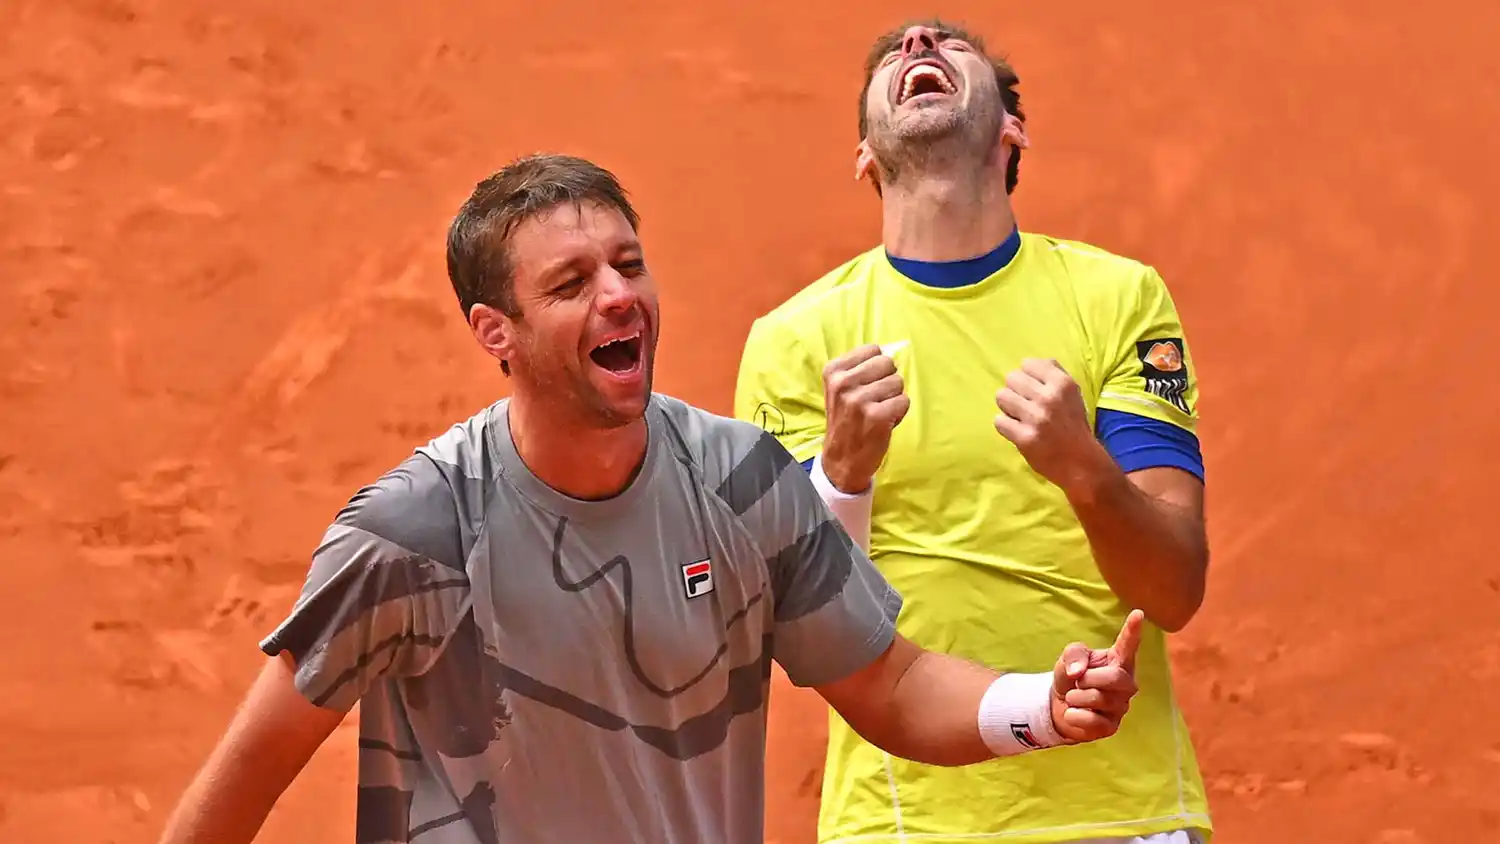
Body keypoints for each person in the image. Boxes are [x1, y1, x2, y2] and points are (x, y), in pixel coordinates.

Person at [156, 152, 1147, 844]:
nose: (619, 296)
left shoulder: (741, 481)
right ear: (494, 332)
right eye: (573, 282)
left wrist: (1042, 709)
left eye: (629, 264)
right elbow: (253, 766)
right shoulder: (412, 533)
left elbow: (886, 683)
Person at [733, 18, 1214, 844]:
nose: (919, 41)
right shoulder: (796, 341)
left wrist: (1083, 469)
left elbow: (1173, 589)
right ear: (865, 155)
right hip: (904, 823)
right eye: (896, 55)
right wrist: (842, 474)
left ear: (1010, 130)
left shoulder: (1119, 300)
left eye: (953, 48)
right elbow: (798, 622)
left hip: (1121, 816)